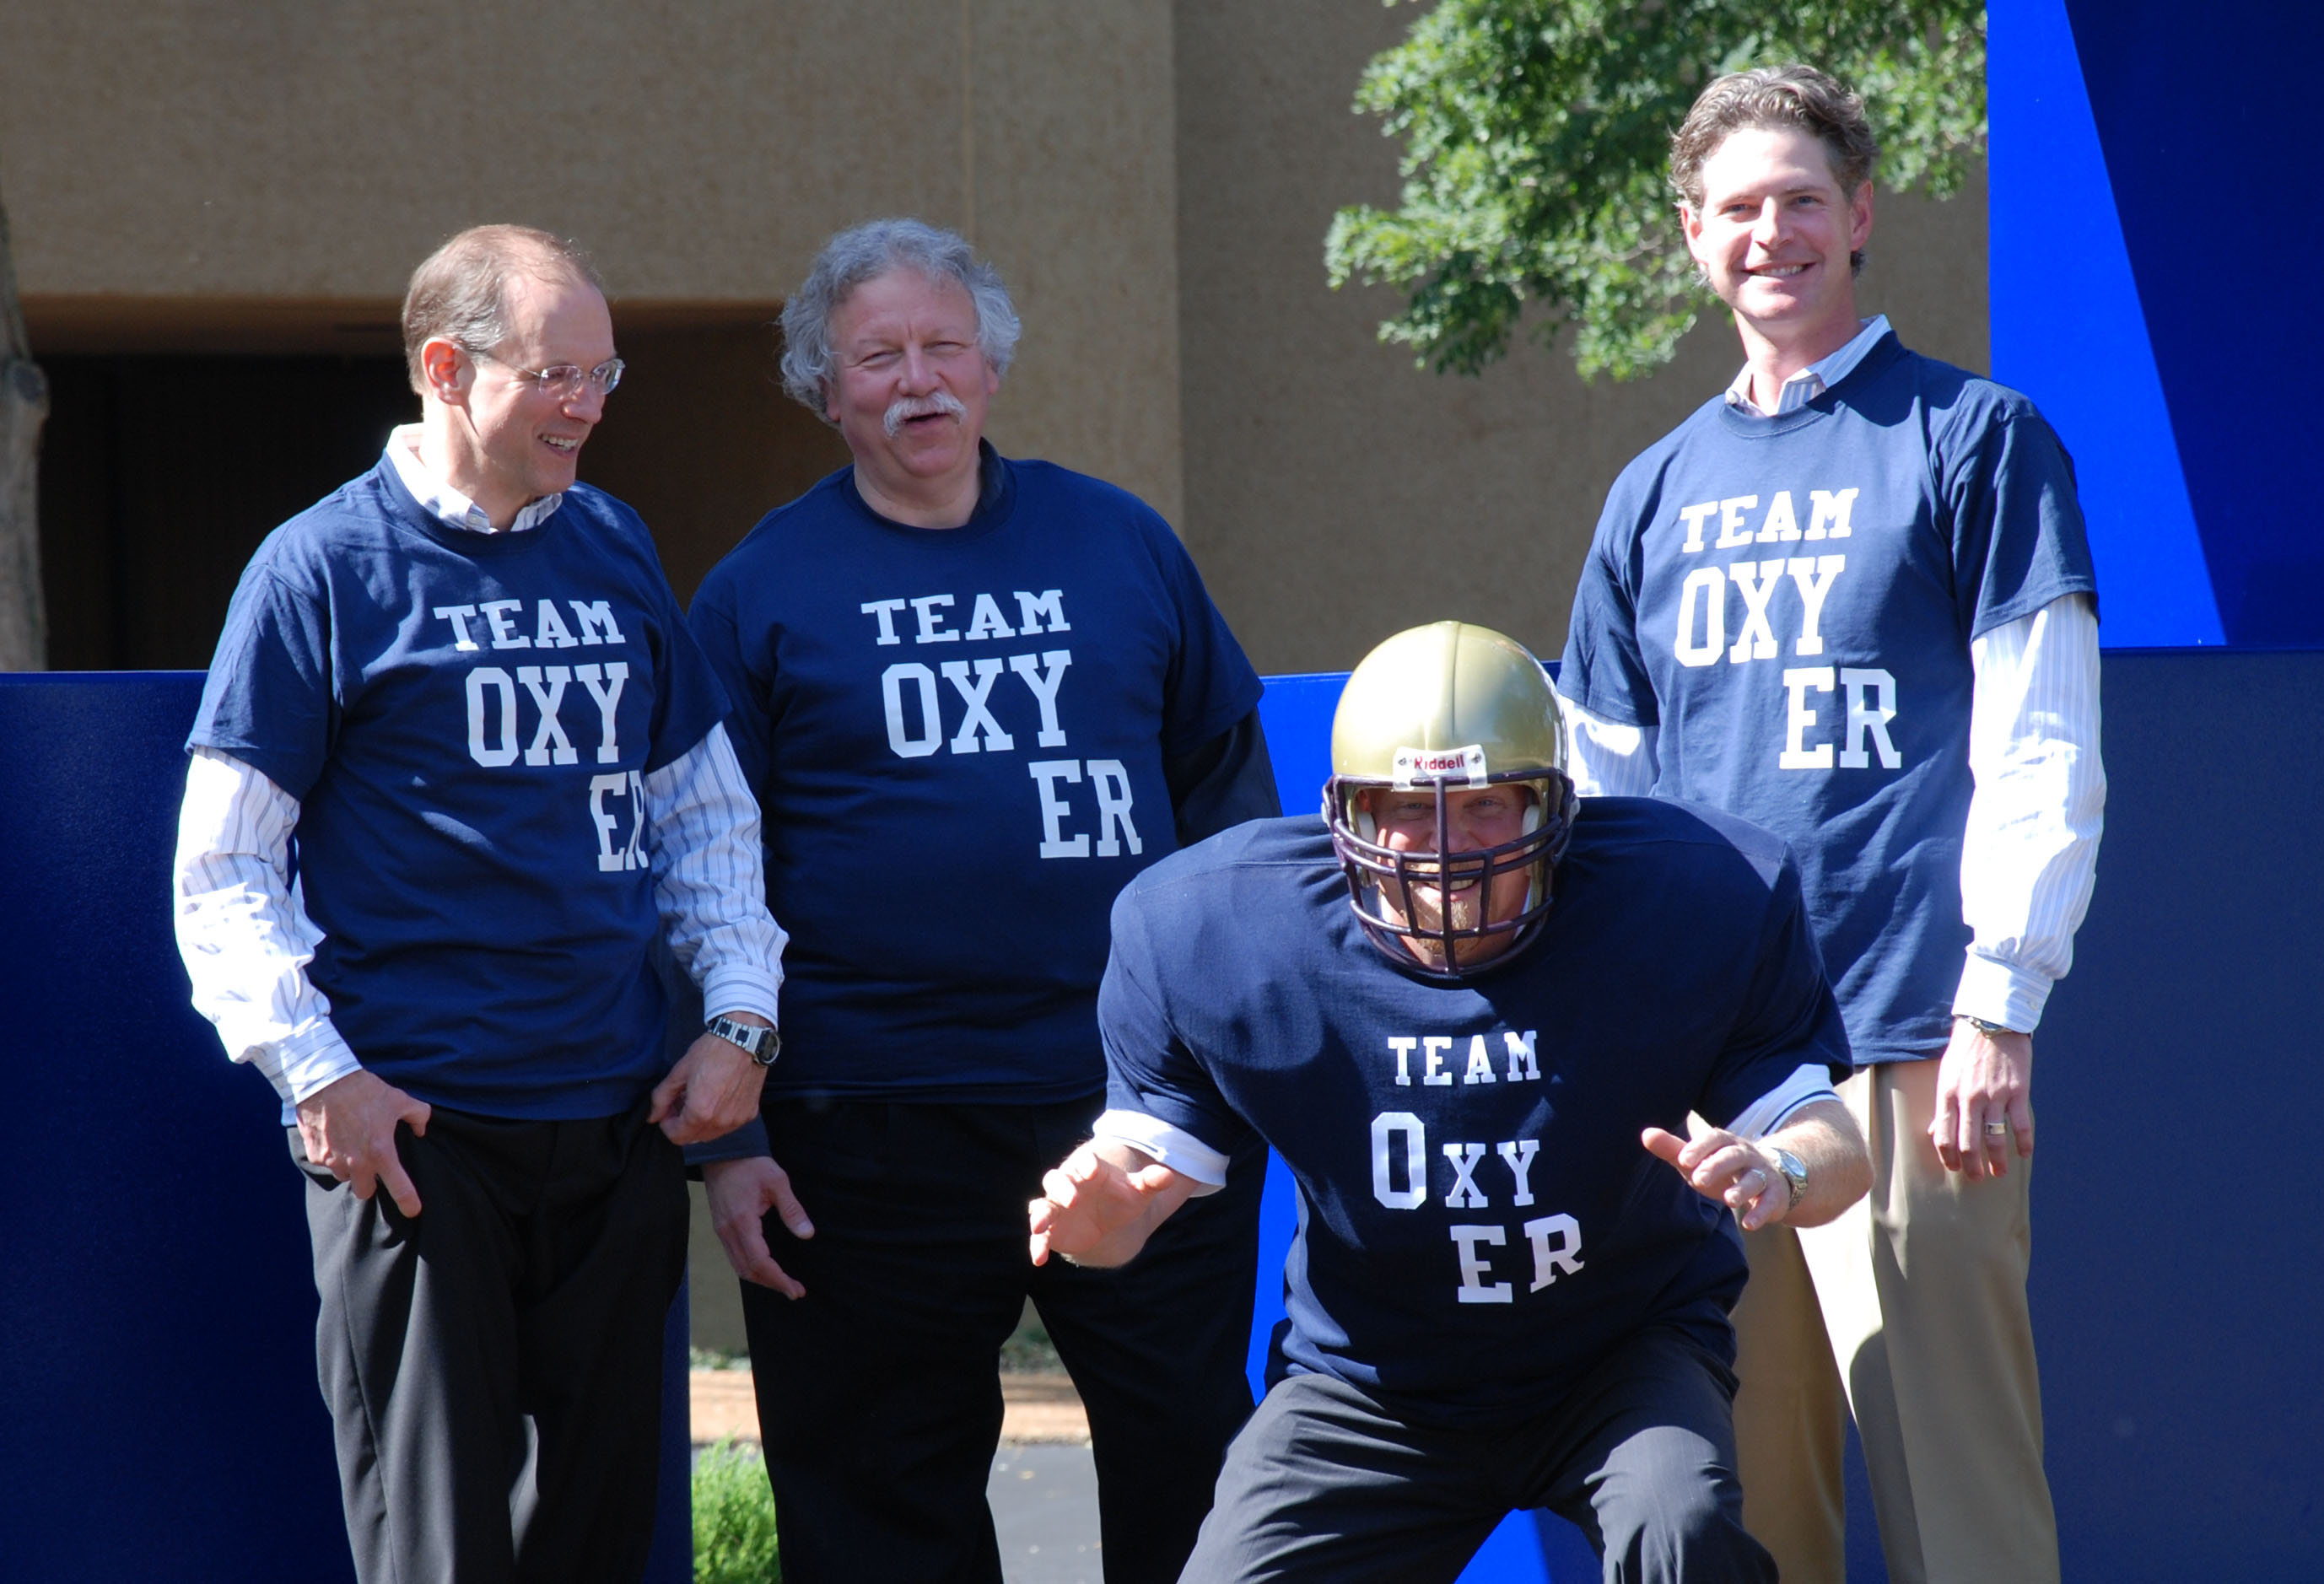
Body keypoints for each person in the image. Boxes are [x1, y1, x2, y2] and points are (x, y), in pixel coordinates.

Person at [171, 224, 787, 1583]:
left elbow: (702, 815)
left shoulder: (616, 543)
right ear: (445, 369)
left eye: (603, 374)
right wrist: (320, 1077)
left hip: (616, 1127)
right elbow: (221, 869)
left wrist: (740, 1020)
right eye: (556, 374)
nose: (587, 406)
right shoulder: (318, 569)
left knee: (596, 1539)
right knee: (437, 1550)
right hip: (417, 1140)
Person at [1556, 65, 2105, 1584]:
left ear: (1862, 213)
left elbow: (2042, 737)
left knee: (1961, 1507)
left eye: (1804, 199)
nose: (1771, 233)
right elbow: (1605, 805)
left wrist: (2000, 1003)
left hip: (1913, 1049)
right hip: (1719, 1077)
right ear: (1690, 236)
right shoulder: (1649, 494)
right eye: (1738, 207)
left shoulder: (1976, 438)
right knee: (1742, 1508)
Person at [1029, 620, 1873, 1584]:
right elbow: (1129, 1200)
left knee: (1678, 1526)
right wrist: (1098, 1221)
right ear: (1341, 813)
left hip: (1617, 1355)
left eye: (1482, 806)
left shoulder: (1696, 893)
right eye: (1399, 806)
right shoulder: (1214, 926)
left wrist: (1783, 1166)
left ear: (1552, 807)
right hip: (1371, 1382)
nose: (1438, 849)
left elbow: (1833, 1142)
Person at [686, 218, 1281, 1583]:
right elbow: (701, 875)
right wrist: (732, 1141)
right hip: (866, 1127)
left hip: (1137, 1108)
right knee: (880, 1501)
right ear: (824, 390)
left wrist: (1230, 1069)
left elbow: (1233, 818)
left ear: (993, 365)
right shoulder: (757, 593)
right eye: (877, 356)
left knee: (1200, 1471)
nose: (919, 381)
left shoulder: (1121, 542)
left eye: (944, 346)